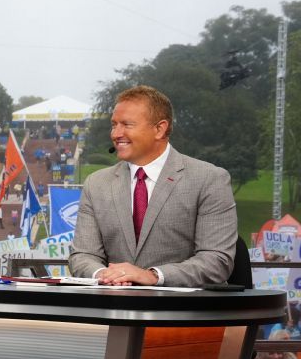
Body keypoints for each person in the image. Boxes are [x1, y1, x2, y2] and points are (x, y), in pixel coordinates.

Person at [69, 85, 236, 286]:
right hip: (114, 302)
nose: (116, 134)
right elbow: (82, 255)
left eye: (127, 124)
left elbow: (216, 261)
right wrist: (103, 275)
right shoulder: (96, 184)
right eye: (114, 125)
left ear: (159, 129)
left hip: (182, 305)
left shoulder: (209, 179)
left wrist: (153, 276)